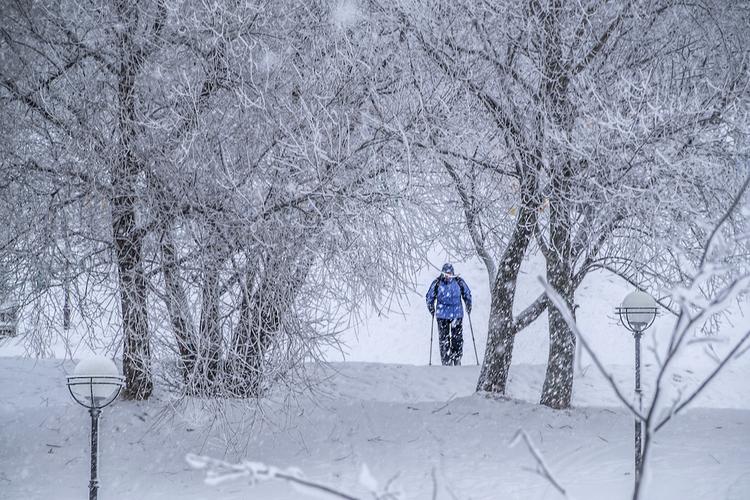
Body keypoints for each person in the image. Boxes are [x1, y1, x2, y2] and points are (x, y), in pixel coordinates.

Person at [425, 263, 472, 366]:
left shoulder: (459, 282)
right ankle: (446, 361)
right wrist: (431, 307)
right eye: (446, 273)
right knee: (444, 339)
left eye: (449, 273)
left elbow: (467, 293)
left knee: (457, 338)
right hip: (442, 316)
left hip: (457, 315)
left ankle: (457, 358)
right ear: (442, 273)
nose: (447, 276)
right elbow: (429, 296)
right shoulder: (437, 283)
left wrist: (468, 303)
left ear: (453, 273)